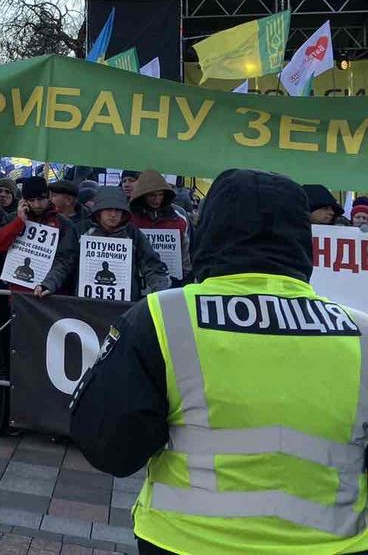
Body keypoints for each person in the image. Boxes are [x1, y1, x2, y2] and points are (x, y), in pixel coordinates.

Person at [70, 168, 368, 555]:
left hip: (186, 540)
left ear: (207, 231)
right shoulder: (359, 332)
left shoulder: (162, 317)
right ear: (302, 238)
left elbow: (109, 446)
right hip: (333, 544)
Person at [41, 186, 169, 301]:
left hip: (124, 306)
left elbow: (152, 265)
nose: (113, 215)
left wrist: (162, 293)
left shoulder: (133, 234)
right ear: (99, 211)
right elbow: (63, 261)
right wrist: (49, 284)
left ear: (124, 213)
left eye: (117, 210)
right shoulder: (80, 231)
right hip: (85, 304)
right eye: (108, 209)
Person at [0, 176, 80, 295]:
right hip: (17, 292)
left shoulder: (63, 224)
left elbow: (65, 260)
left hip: (49, 292)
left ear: (49, 197)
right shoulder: (12, 218)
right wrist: (19, 221)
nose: (37, 205)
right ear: (24, 201)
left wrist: (49, 283)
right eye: (32, 200)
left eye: (41, 199)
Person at [128, 170, 191, 283]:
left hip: (173, 280)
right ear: (143, 195)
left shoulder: (179, 219)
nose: (157, 199)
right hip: (137, 280)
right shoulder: (130, 218)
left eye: (161, 195)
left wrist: (186, 277)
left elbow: (186, 252)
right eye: (152, 195)